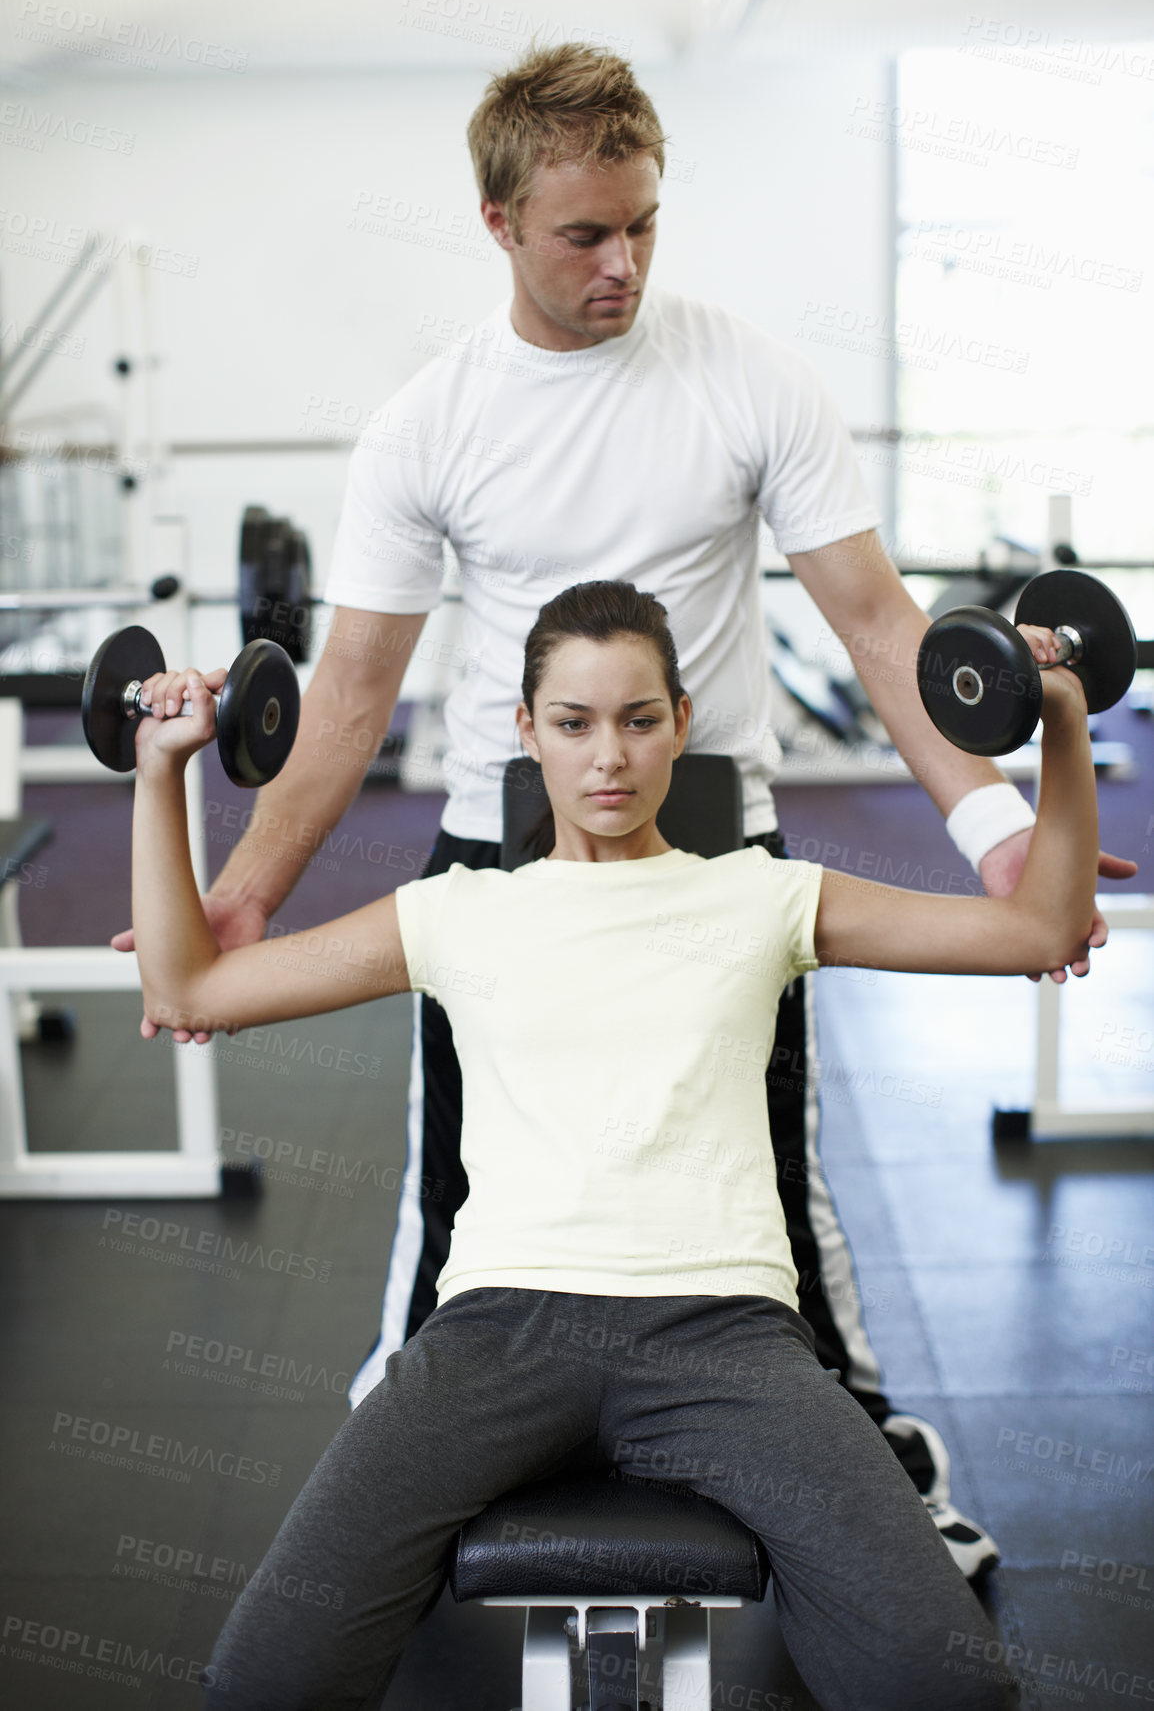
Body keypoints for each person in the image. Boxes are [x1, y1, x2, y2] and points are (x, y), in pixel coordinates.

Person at [112, 40, 1134, 1577]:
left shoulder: (744, 374)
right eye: (584, 232)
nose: (623, 261)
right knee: (456, 1190)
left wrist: (1000, 841)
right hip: (497, 856)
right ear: (498, 222)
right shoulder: (428, 423)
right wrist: (240, 904)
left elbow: (873, 625)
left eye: (644, 222)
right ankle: (406, 1477)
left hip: (714, 849)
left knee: (769, 1186)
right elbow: (348, 699)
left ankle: (866, 1459)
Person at [131, 578, 1094, 1711]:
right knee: (263, 1682)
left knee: (948, 1691)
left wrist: (1063, 717)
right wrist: (160, 770)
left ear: (682, 724)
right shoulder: (455, 909)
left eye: (639, 720)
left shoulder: (761, 894)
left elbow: (1036, 926)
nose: (608, 758)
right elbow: (187, 983)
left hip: (724, 1342)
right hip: (494, 1336)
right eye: (575, 723)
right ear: (524, 730)